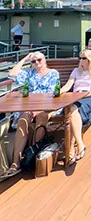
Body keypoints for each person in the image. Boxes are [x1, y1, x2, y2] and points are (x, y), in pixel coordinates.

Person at [0, 52, 59, 180]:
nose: (37, 63)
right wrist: (25, 58)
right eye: (34, 61)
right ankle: (16, 162)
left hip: (46, 106)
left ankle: (34, 157)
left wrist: (38, 110)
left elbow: (52, 94)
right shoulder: (29, 74)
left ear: (44, 60)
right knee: (22, 121)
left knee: (41, 118)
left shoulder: (53, 73)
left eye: (39, 60)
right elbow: (12, 74)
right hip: (29, 106)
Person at [60, 49, 91, 165]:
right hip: (75, 97)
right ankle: (79, 145)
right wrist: (59, 91)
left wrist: (81, 95)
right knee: (73, 112)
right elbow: (68, 85)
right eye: (80, 58)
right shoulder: (76, 71)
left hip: (88, 97)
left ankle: (72, 147)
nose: (81, 60)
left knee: (72, 111)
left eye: (83, 58)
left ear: (89, 60)